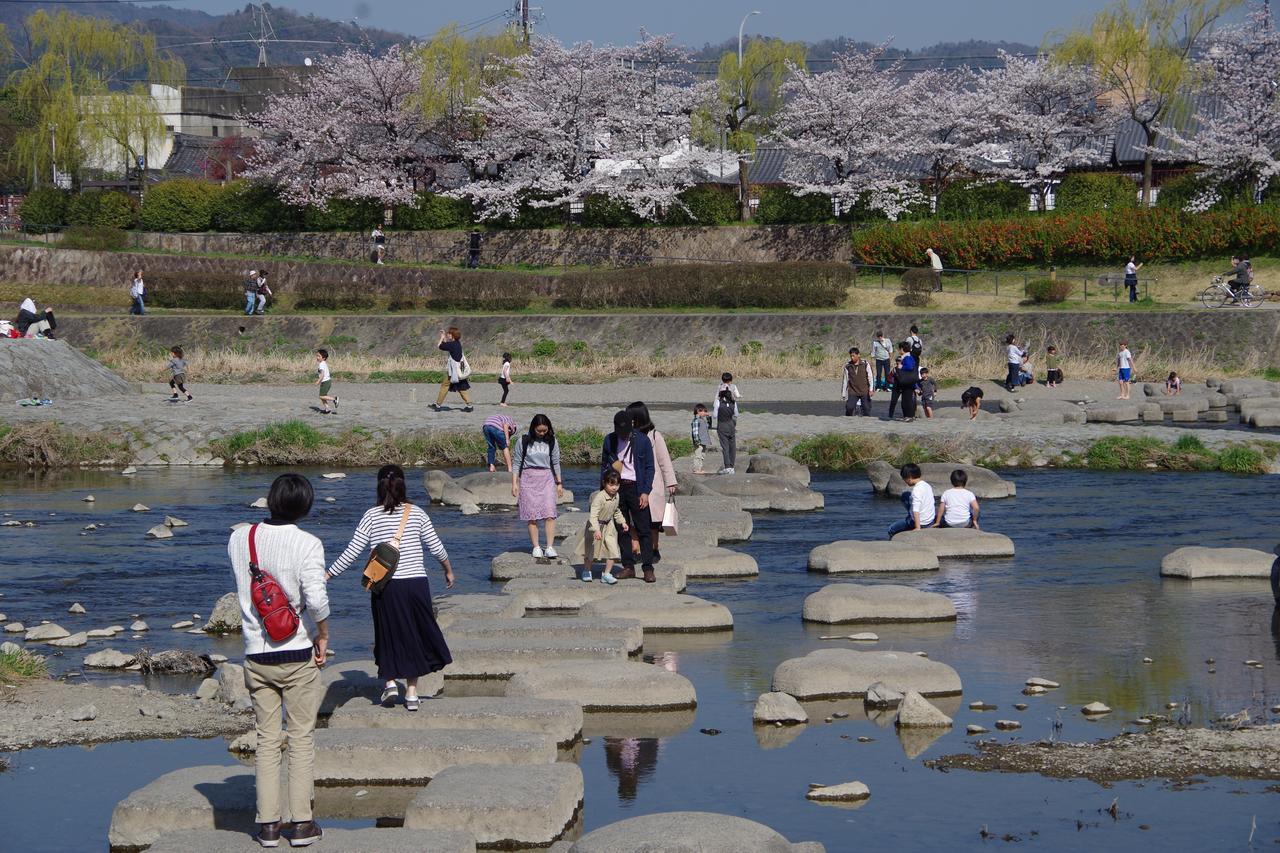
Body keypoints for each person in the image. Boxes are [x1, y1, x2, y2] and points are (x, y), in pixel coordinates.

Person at [227, 473, 329, 849]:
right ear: (305, 505)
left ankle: (268, 826)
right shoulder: (309, 543)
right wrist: (323, 634)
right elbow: (316, 601)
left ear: (270, 500)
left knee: (267, 740)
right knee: (301, 738)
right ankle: (301, 825)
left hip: (256, 653)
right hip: (298, 652)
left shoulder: (241, 538)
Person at [327, 465, 455, 711]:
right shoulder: (416, 513)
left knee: (387, 634)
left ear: (379, 486)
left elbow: (352, 551)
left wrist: (329, 573)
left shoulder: (371, 515)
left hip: (385, 585)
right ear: (403, 485)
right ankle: (412, 694)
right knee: (414, 635)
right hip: (416, 584)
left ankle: (389, 683)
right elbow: (436, 547)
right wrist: (448, 569)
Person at [600, 410, 656, 582]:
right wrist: (603, 492)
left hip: (637, 488)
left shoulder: (642, 440)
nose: (623, 435)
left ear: (631, 425)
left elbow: (649, 467)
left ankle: (648, 568)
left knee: (644, 529)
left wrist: (645, 491)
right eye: (620, 432)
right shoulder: (610, 440)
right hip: (617, 488)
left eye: (625, 432)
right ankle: (628, 567)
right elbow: (604, 466)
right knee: (622, 528)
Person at [627, 402, 677, 565]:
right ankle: (636, 549)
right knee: (634, 520)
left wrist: (671, 482)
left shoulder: (655, 435)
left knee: (653, 523)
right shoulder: (628, 435)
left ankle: (654, 548)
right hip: (633, 484)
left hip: (653, 485)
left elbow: (664, 461)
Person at [512, 414, 564, 559]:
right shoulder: (523, 441)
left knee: (550, 513)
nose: (542, 433)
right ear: (533, 428)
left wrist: (559, 483)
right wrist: (514, 483)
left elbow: (555, 463)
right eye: (539, 431)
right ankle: (536, 546)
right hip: (528, 479)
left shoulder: (552, 441)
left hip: (546, 478)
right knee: (532, 515)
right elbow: (516, 463)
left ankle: (549, 547)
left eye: (544, 430)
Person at [575, 470, 628, 584]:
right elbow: (593, 515)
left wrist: (622, 522)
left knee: (613, 550)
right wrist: (596, 530)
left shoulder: (616, 496)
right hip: (595, 526)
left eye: (617, 484)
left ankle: (607, 574)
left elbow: (616, 511)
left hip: (608, 526)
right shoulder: (599, 497)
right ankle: (587, 571)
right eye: (611, 484)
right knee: (590, 551)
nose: (614, 487)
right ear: (604, 483)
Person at [431, 326, 474, 412]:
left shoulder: (452, 344)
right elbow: (447, 346)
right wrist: (444, 336)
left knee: (444, 386)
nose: (448, 335)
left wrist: (442, 337)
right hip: (459, 371)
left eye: (449, 334)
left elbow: (440, 346)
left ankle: (438, 405)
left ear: (453, 335)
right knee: (461, 387)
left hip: (453, 372)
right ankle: (469, 406)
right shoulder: (457, 343)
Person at [887, 463, 935, 538]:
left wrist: (917, 527)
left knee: (891, 529)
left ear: (909, 477)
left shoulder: (916, 491)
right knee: (905, 495)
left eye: (904, 479)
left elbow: (916, 510)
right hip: (930, 520)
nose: (904, 481)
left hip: (921, 523)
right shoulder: (927, 485)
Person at [889, 342, 919, 422]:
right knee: (906, 400)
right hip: (909, 381)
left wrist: (901, 366)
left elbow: (909, 367)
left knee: (907, 400)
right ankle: (908, 416)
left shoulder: (907, 357)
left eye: (899, 349)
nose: (899, 350)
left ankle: (909, 416)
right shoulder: (909, 356)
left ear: (902, 349)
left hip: (907, 381)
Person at [842, 347, 873, 417]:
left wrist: (871, 389)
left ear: (858, 355)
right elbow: (845, 380)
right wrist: (843, 393)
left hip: (864, 390)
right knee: (849, 408)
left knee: (866, 409)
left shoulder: (865, 364)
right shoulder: (848, 366)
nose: (852, 357)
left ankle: (863, 411)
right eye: (851, 356)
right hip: (853, 391)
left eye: (853, 356)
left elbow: (870, 377)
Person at [713, 387, 738, 474]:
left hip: (722, 425)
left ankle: (727, 467)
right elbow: (736, 414)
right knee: (732, 447)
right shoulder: (733, 402)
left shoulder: (718, 402)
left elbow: (715, 415)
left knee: (725, 447)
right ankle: (732, 466)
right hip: (731, 425)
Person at [690, 404, 712, 474]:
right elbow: (695, 432)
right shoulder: (696, 420)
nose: (705, 412)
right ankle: (696, 469)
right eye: (703, 411)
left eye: (705, 411)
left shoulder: (702, 420)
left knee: (702, 455)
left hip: (704, 441)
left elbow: (709, 426)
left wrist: (708, 417)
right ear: (698, 411)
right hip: (699, 442)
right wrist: (697, 441)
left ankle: (700, 468)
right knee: (698, 455)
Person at [315, 349, 338, 414]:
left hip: (325, 382)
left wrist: (318, 381)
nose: (317, 357)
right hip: (326, 382)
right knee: (323, 396)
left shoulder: (321, 364)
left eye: (319, 356)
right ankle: (327, 409)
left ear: (323, 358)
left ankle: (334, 399)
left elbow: (322, 374)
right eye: (317, 356)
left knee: (321, 396)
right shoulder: (323, 363)